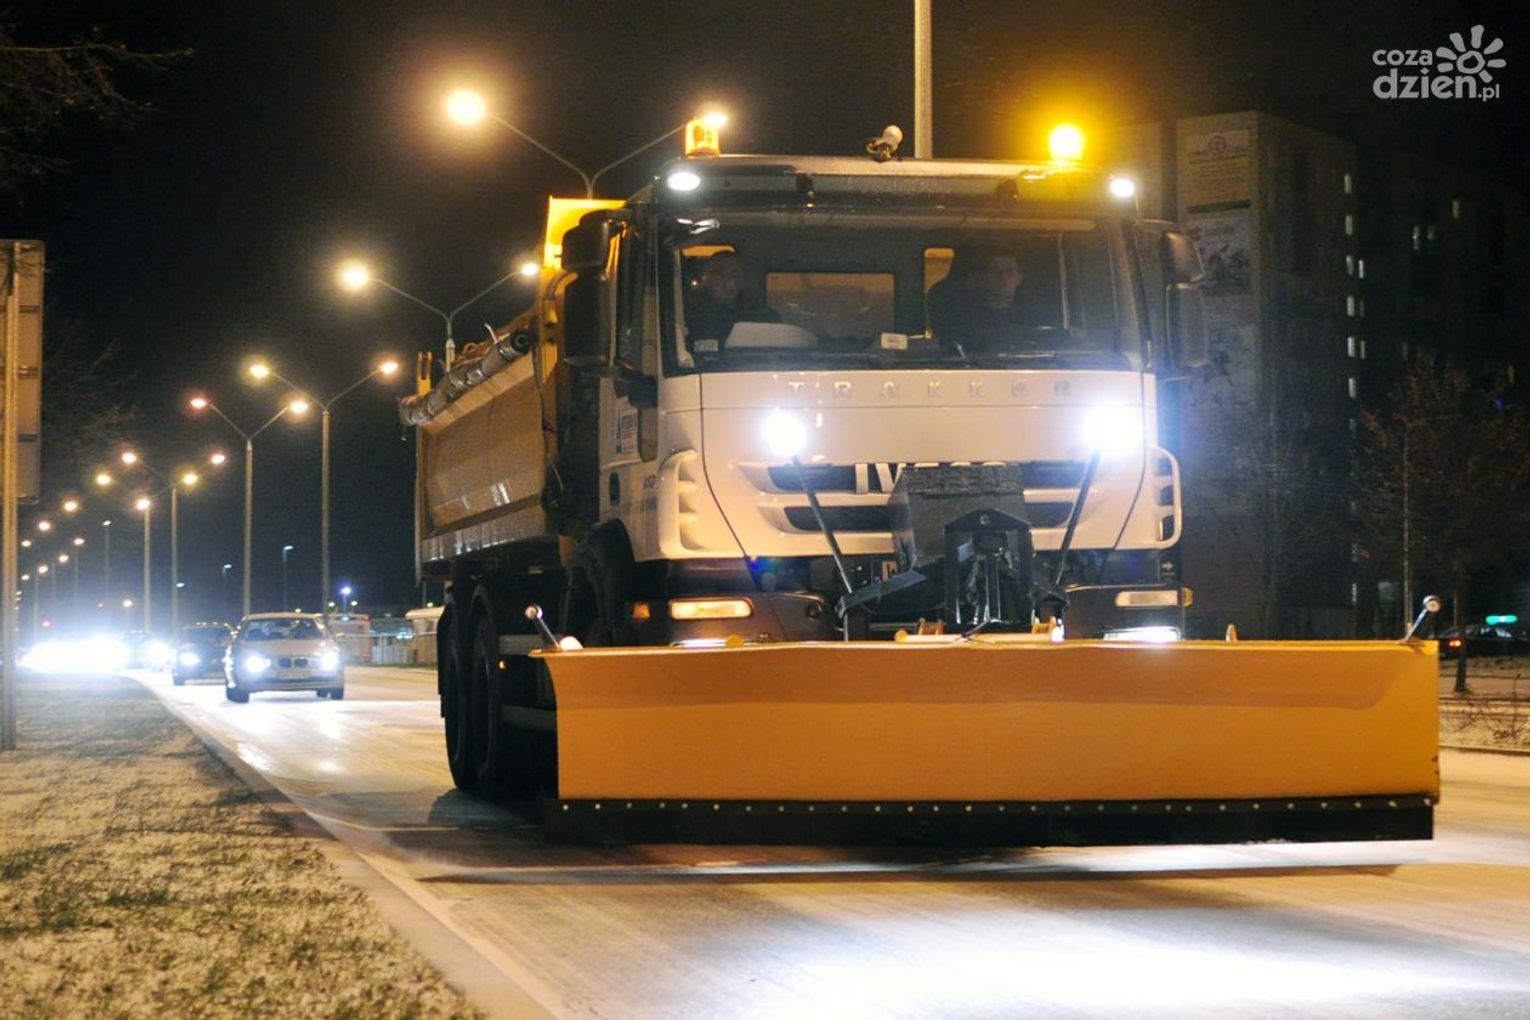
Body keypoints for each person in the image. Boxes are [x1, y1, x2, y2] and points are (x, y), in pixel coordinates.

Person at [926, 246, 1047, 353]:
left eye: (1009, 271)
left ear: (1019, 278)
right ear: (983, 278)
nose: (1003, 277)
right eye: (995, 271)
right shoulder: (964, 321)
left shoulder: (1034, 318)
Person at [685, 250, 778, 346]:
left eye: (735, 275)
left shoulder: (763, 316)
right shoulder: (688, 316)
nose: (729, 285)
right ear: (706, 278)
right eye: (719, 275)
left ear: (744, 279)